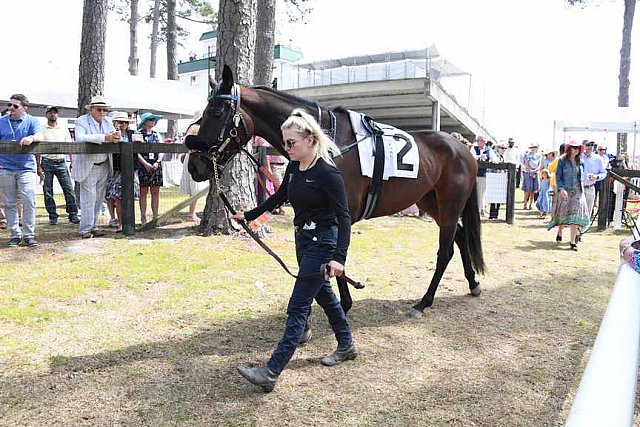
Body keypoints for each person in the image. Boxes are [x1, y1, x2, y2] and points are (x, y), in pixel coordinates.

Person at [231, 109, 356, 393]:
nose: (286, 148)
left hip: (323, 242)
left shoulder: (328, 173)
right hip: (303, 241)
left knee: (298, 307)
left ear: (310, 140)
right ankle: (346, 344)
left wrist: (339, 257)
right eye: (284, 143)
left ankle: (271, 371)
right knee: (324, 295)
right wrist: (249, 215)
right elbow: (280, 196)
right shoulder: (294, 167)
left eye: (291, 143)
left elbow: (344, 217)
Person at [71, 95, 121, 239]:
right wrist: (104, 137)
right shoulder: (82, 121)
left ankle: (94, 226)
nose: (102, 112)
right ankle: (85, 229)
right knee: (89, 198)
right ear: (91, 109)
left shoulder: (108, 121)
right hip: (88, 165)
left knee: (99, 198)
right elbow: (80, 138)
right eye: (99, 109)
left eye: (105, 109)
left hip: (104, 164)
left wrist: (116, 137)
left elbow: (114, 136)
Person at [0, 94, 43, 247]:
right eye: (9, 105)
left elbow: (40, 135)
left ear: (24, 108)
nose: (11, 108)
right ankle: (14, 235)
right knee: (9, 203)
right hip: (5, 168)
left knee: (29, 201)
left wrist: (31, 138)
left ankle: (29, 234)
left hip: (26, 168)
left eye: (15, 106)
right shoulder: (1, 122)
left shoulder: (32, 121)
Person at [39, 106, 80, 226]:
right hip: (46, 161)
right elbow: (37, 149)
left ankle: (72, 214)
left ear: (58, 115)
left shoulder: (63, 128)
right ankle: (52, 216)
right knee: (47, 191)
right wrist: (38, 166)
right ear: (46, 115)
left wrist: (72, 161)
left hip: (61, 161)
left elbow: (69, 146)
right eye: (50, 112)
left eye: (55, 113)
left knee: (68, 189)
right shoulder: (41, 129)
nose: (52, 114)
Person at [546, 141, 590, 250]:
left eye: (578, 148)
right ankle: (560, 231)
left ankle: (572, 241)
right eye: (574, 147)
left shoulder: (581, 162)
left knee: (575, 216)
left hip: (578, 191)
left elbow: (582, 176)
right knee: (564, 213)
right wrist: (561, 189)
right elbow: (558, 176)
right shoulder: (562, 161)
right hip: (566, 190)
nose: (576, 150)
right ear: (569, 149)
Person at [106, 111, 137, 231]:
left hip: (130, 168)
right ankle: (120, 223)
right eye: (120, 122)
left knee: (129, 197)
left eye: (125, 122)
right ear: (115, 122)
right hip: (116, 169)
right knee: (117, 197)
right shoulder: (111, 134)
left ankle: (129, 221)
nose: (123, 124)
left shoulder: (133, 134)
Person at [179, 112, 208, 221]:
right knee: (194, 187)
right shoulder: (195, 127)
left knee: (196, 187)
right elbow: (186, 141)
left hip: (197, 157)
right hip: (194, 158)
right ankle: (191, 213)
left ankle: (192, 212)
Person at [136, 112, 164, 225]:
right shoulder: (138, 134)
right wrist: (145, 164)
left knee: (155, 192)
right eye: (150, 119)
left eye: (153, 119)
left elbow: (162, 150)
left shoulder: (157, 134)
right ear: (145, 122)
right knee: (143, 192)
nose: (152, 121)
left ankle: (155, 217)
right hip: (143, 166)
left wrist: (157, 162)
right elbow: (136, 152)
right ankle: (143, 217)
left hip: (156, 165)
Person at [581, 141, 607, 219]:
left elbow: (603, 173)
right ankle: (576, 230)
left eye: (592, 145)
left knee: (588, 212)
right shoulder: (578, 157)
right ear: (583, 146)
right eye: (588, 145)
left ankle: (583, 229)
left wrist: (597, 177)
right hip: (578, 188)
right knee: (577, 212)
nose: (590, 147)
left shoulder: (598, 159)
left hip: (590, 187)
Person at [471, 135, 494, 217]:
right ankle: (478, 210)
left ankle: (480, 210)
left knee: (482, 193)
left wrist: (494, 160)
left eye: (481, 140)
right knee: (474, 193)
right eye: (478, 140)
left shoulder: (488, 149)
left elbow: (494, 157)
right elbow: (471, 157)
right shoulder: (474, 148)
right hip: (473, 174)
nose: (479, 142)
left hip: (483, 175)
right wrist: (479, 156)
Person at [521, 143, 542, 210]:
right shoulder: (527, 155)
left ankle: (531, 204)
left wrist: (535, 170)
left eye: (535, 147)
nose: (534, 148)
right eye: (532, 147)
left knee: (533, 190)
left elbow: (539, 165)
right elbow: (526, 164)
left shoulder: (539, 156)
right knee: (527, 189)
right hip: (528, 173)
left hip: (535, 173)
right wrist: (530, 171)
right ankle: (525, 204)